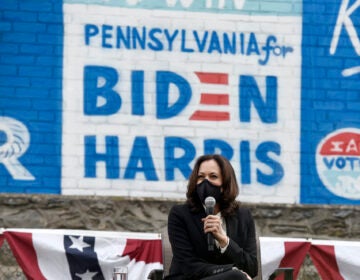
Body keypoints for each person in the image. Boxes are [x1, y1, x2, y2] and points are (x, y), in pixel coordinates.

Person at [166, 154, 258, 280]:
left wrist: (225, 241)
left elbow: (252, 268)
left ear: (225, 184)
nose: (205, 182)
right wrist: (230, 270)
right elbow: (188, 266)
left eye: (213, 176)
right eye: (201, 177)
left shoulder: (243, 216)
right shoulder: (180, 214)